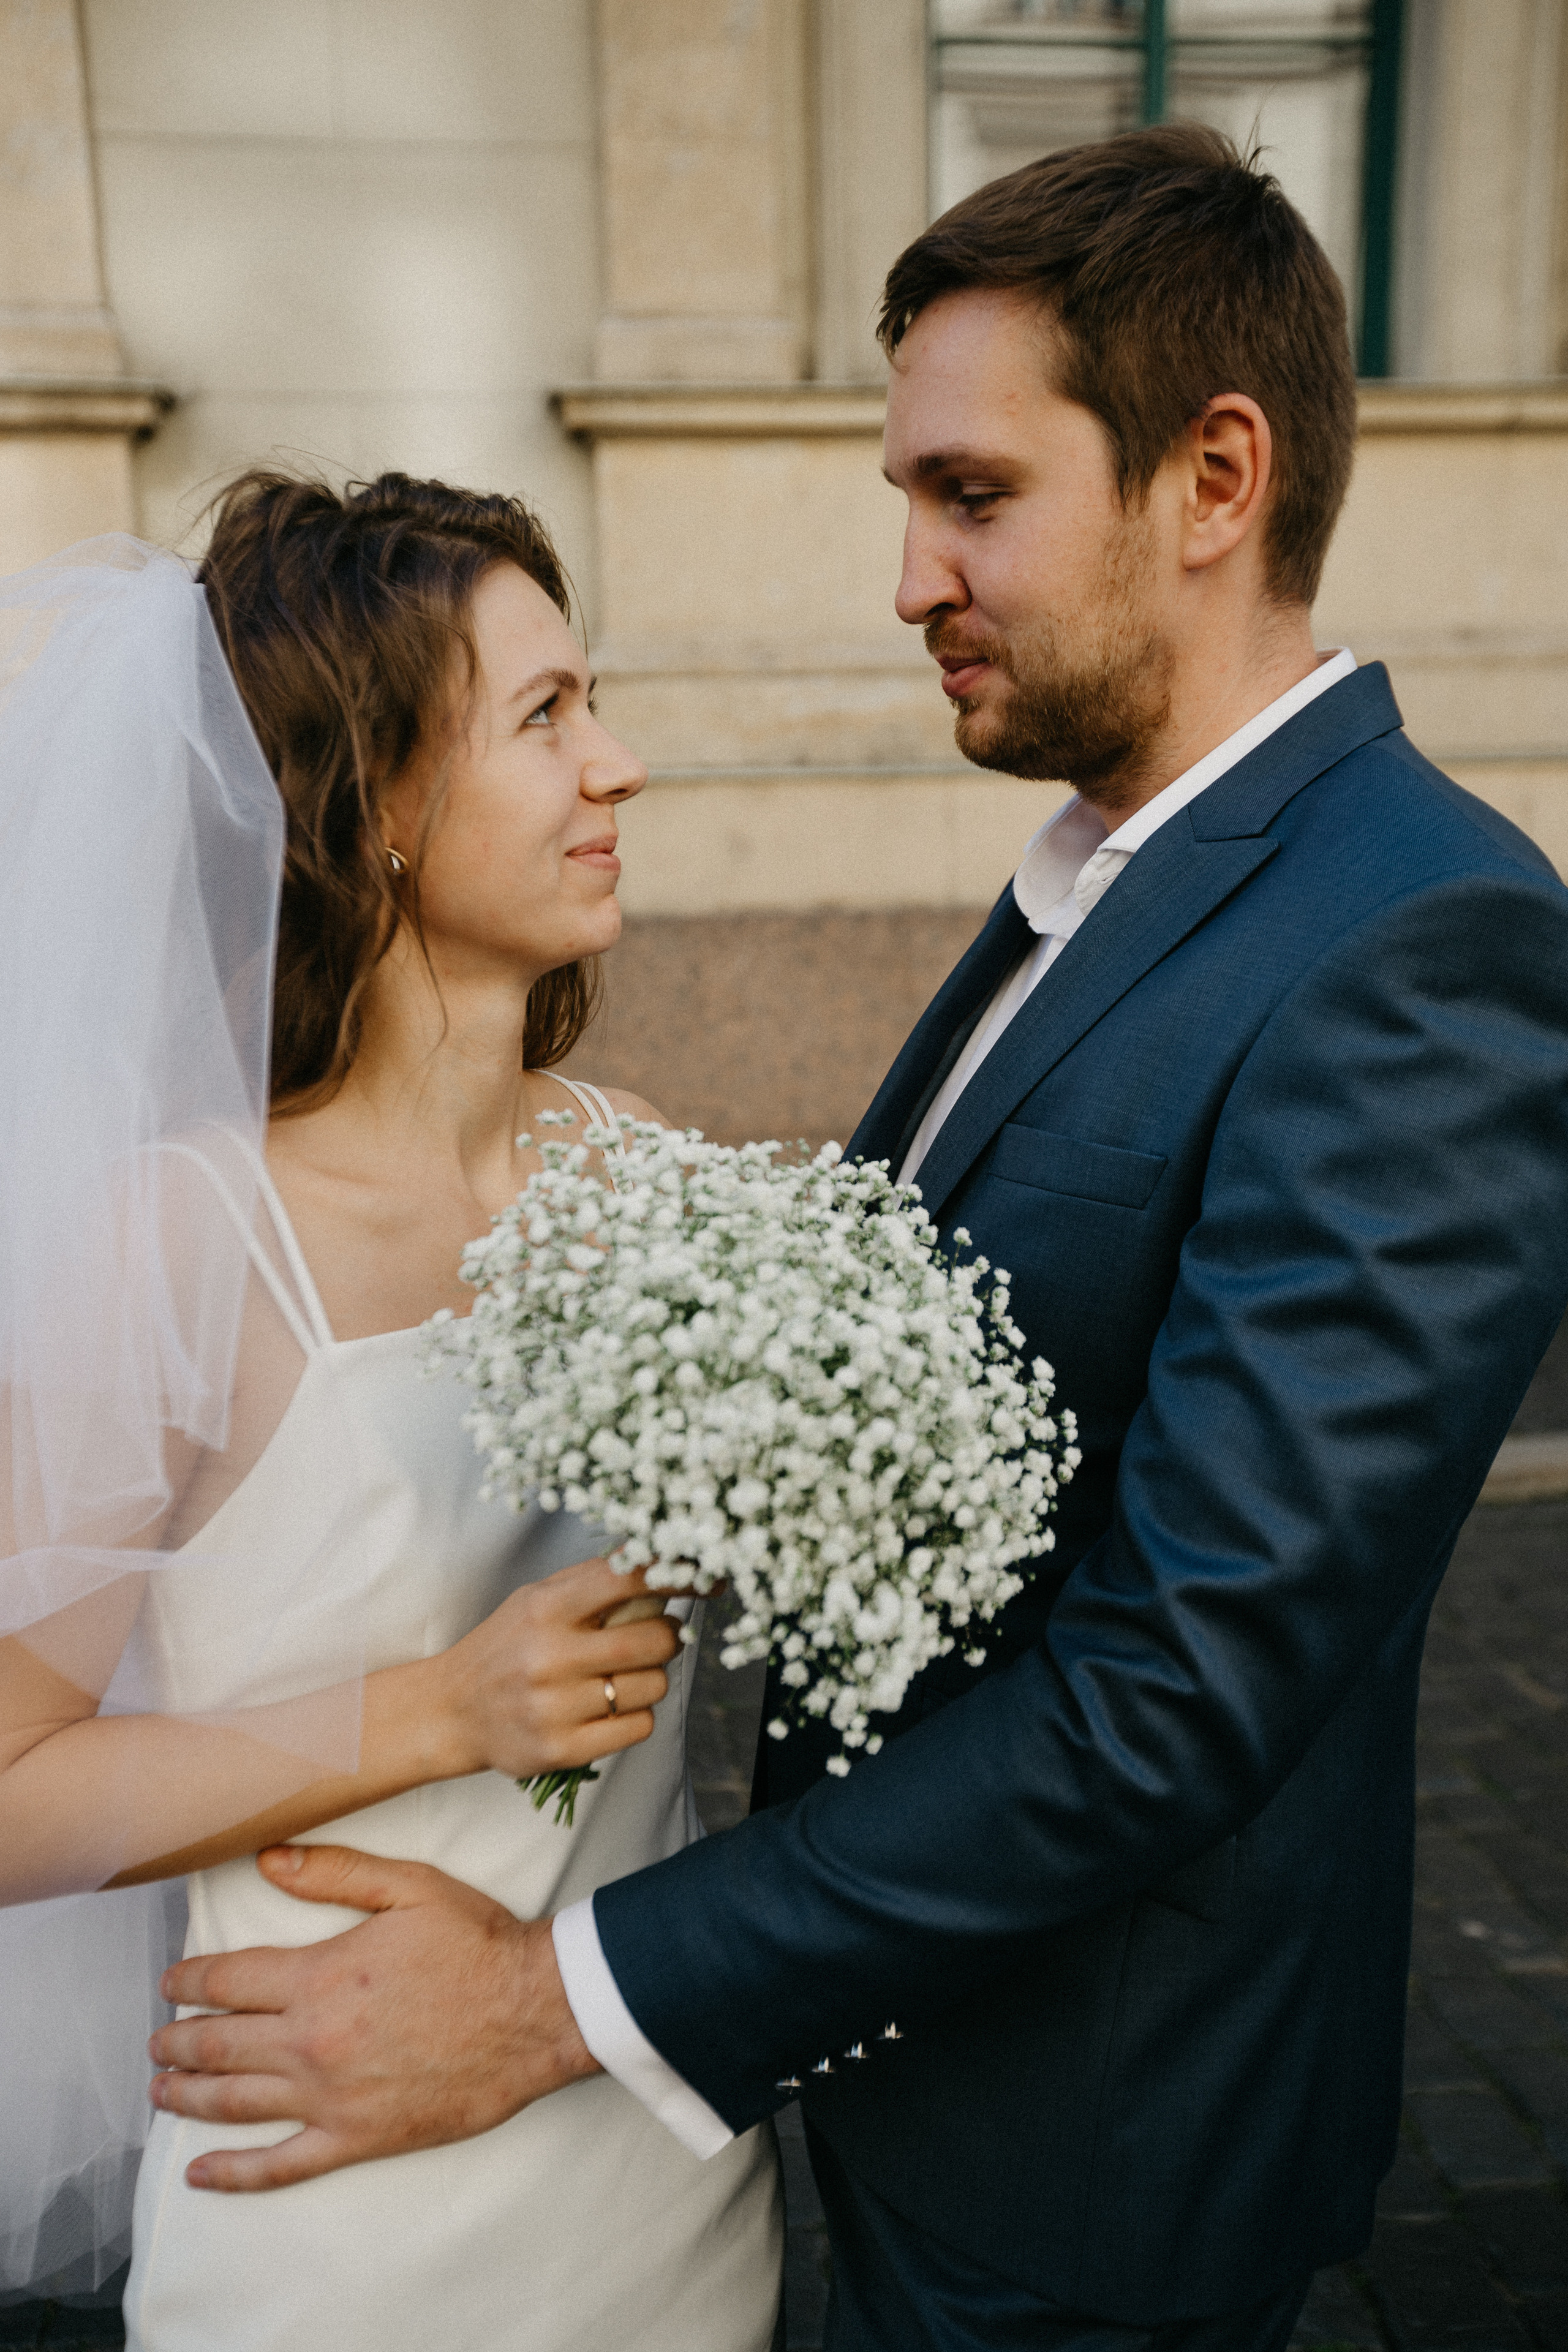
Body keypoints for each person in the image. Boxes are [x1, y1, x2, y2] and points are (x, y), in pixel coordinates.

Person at [148, 129, 1568, 2350]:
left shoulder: (1421, 941)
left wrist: (560, 1994)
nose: (908, 576)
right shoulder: (1104, 872)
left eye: (972, 496)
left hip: (1095, 2155)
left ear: (1215, 478)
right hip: (871, 2082)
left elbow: (1179, 1685)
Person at [0, 476, 781, 2348]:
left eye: (594, 701)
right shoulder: (180, 1245)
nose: (622, 766)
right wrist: (444, 1707)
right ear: (375, 804)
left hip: (657, 2178)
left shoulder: (658, 1180)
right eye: (546, 717)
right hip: (328, 2215)